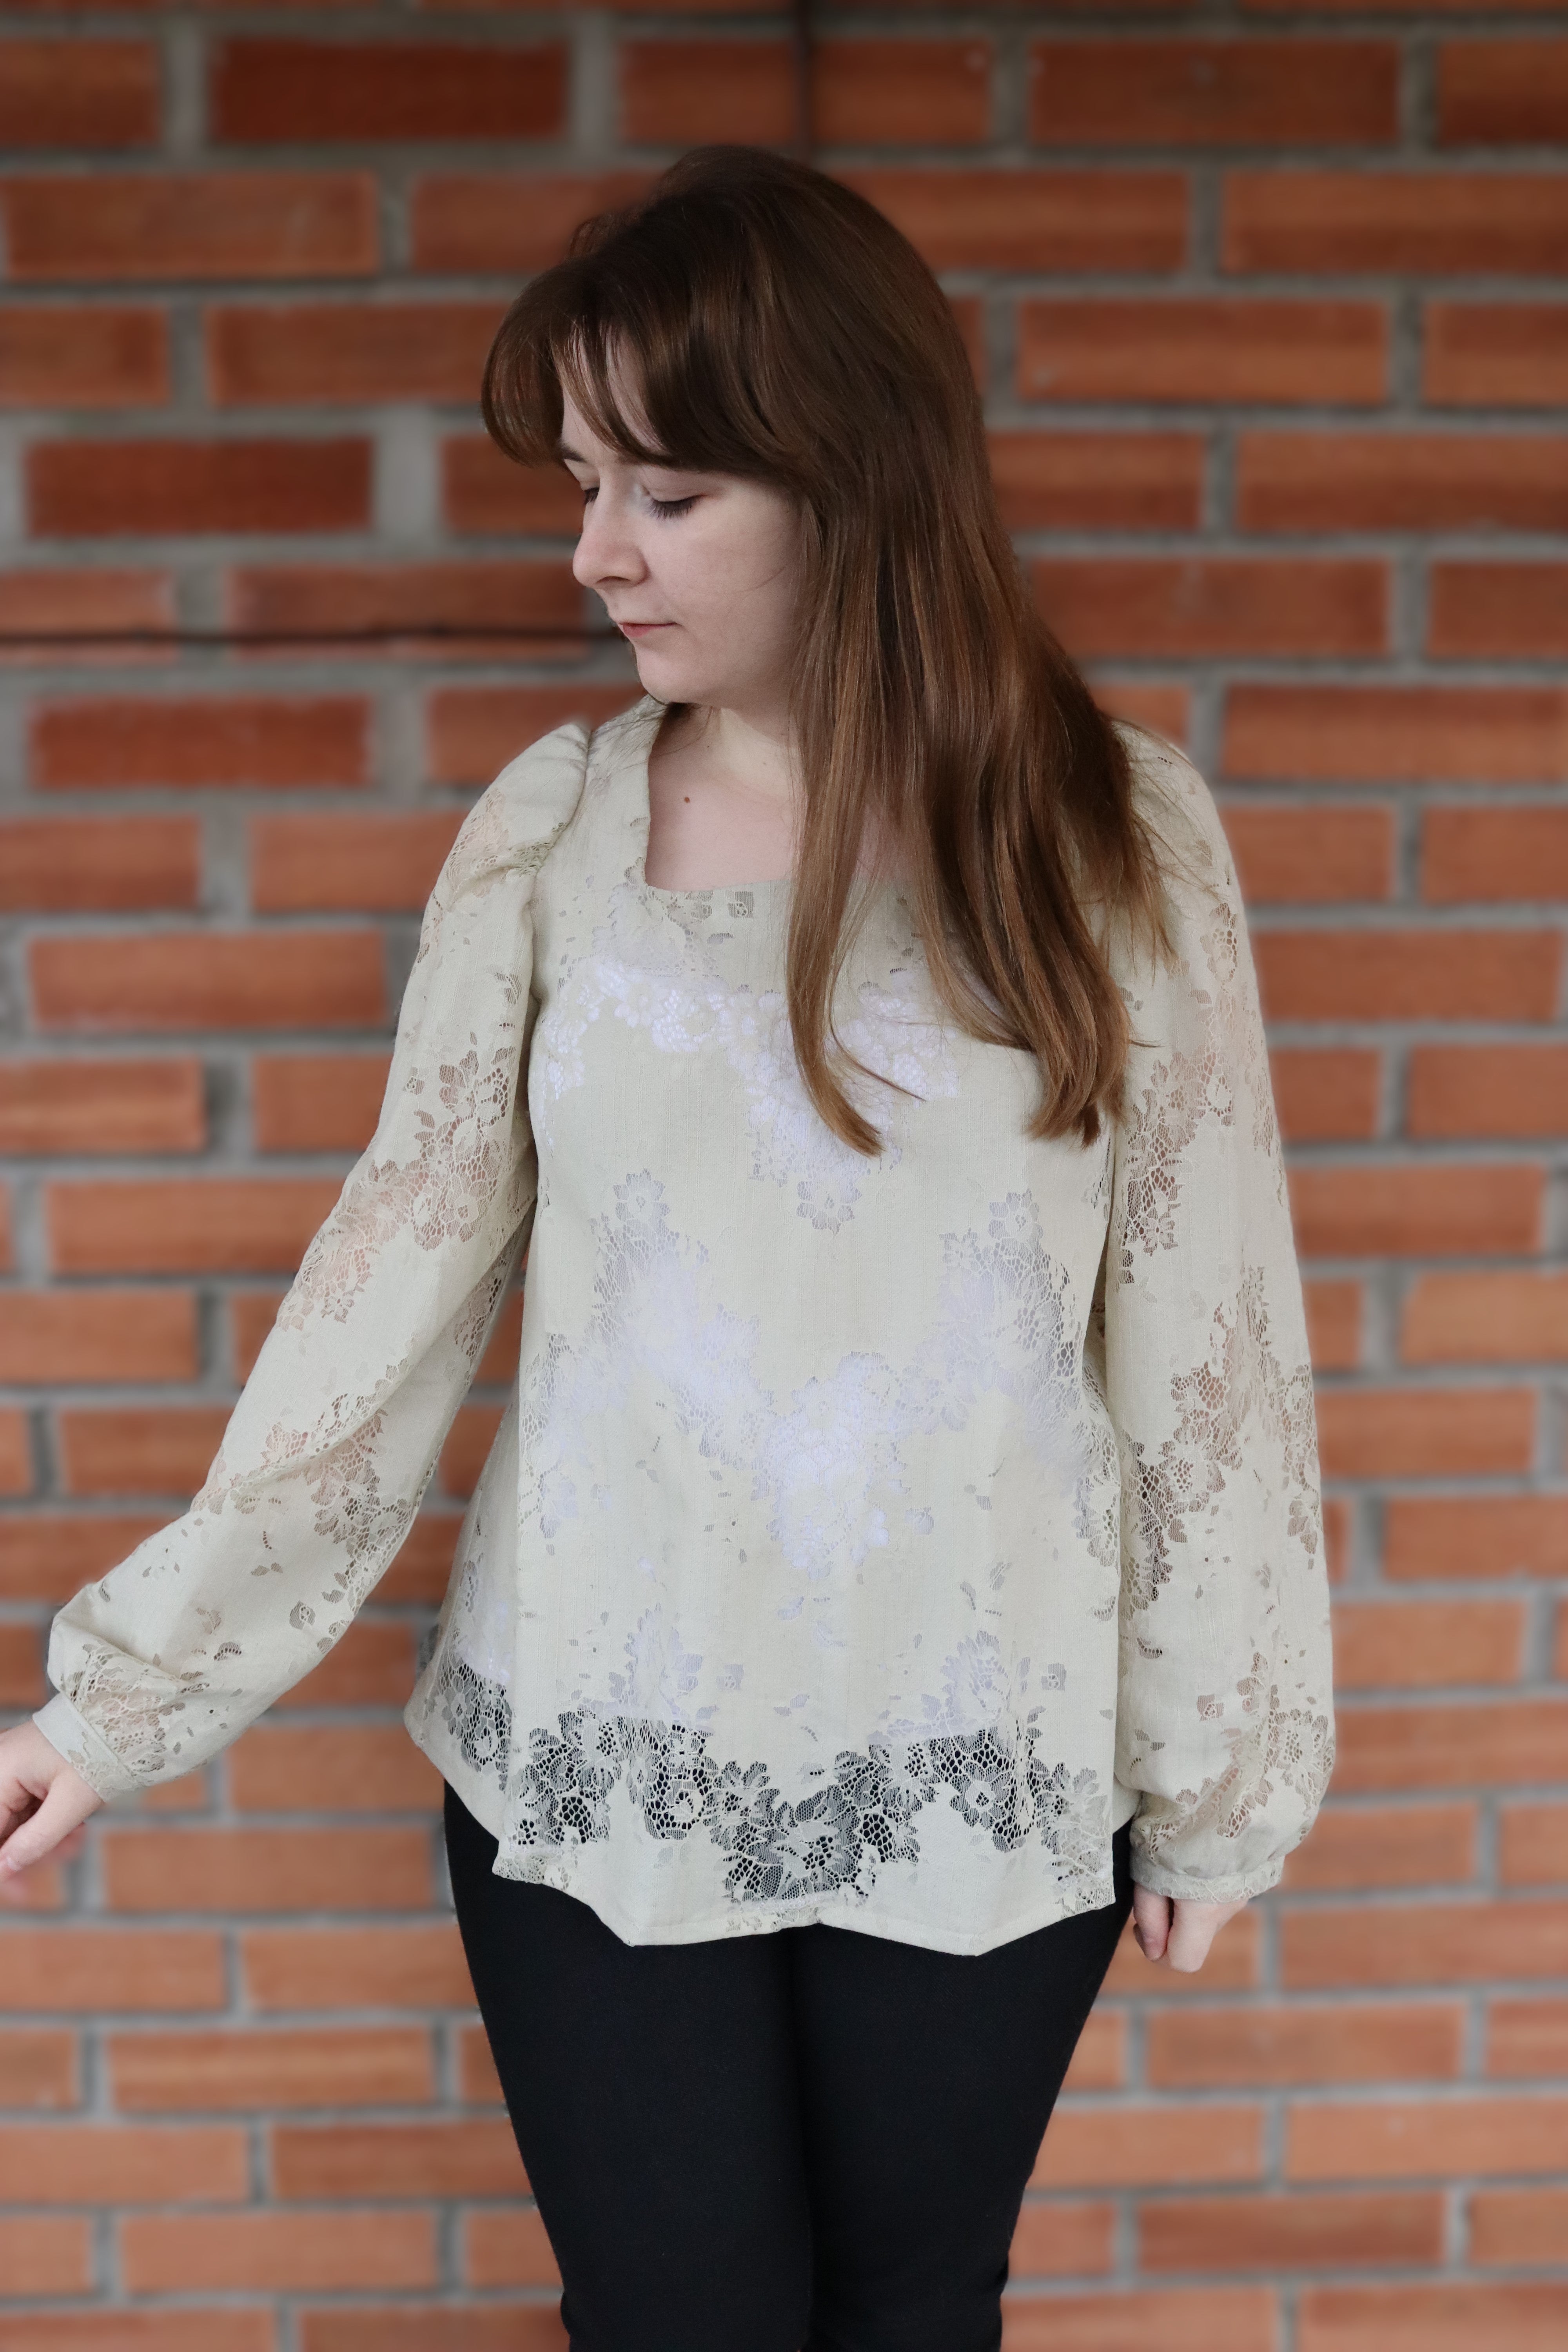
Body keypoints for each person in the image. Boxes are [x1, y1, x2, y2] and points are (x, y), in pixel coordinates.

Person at [0, 147, 1334, 2352]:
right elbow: (391, 1287)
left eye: (668, 491)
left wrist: (1221, 1775)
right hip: (599, 1753)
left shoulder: (1114, 838)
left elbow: (1209, 1341)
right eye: (589, 483)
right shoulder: (551, 833)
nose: (593, 548)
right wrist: (119, 1694)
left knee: (915, 2319)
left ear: (856, 482)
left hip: (982, 1769)